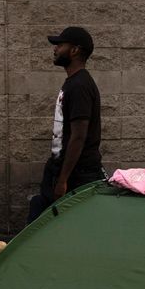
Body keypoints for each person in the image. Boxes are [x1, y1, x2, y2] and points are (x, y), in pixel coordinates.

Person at [27, 27, 104, 223]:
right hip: (61, 170)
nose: (55, 49)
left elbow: (79, 136)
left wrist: (63, 181)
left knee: (67, 225)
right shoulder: (73, 82)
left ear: (74, 50)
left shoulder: (80, 86)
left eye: (60, 45)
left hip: (77, 175)